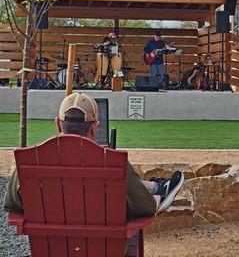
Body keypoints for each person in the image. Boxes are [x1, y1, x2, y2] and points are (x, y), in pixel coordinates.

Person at [4, 92, 184, 219]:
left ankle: (155, 187)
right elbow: (146, 207)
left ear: (58, 124)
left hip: (49, 247)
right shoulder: (113, 163)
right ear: (95, 127)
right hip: (105, 247)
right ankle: (158, 189)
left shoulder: (28, 161)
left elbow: (12, 204)